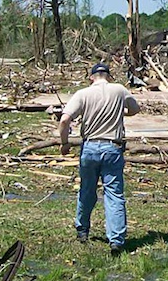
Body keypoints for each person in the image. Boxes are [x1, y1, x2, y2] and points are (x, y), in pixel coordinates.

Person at [58, 62, 140, 256]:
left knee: (87, 190)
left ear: (91, 77)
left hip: (90, 147)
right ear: (109, 76)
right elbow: (135, 109)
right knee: (114, 194)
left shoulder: (82, 94)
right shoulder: (120, 90)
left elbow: (64, 120)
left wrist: (64, 143)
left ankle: (82, 230)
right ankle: (116, 241)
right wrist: (122, 111)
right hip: (112, 147)